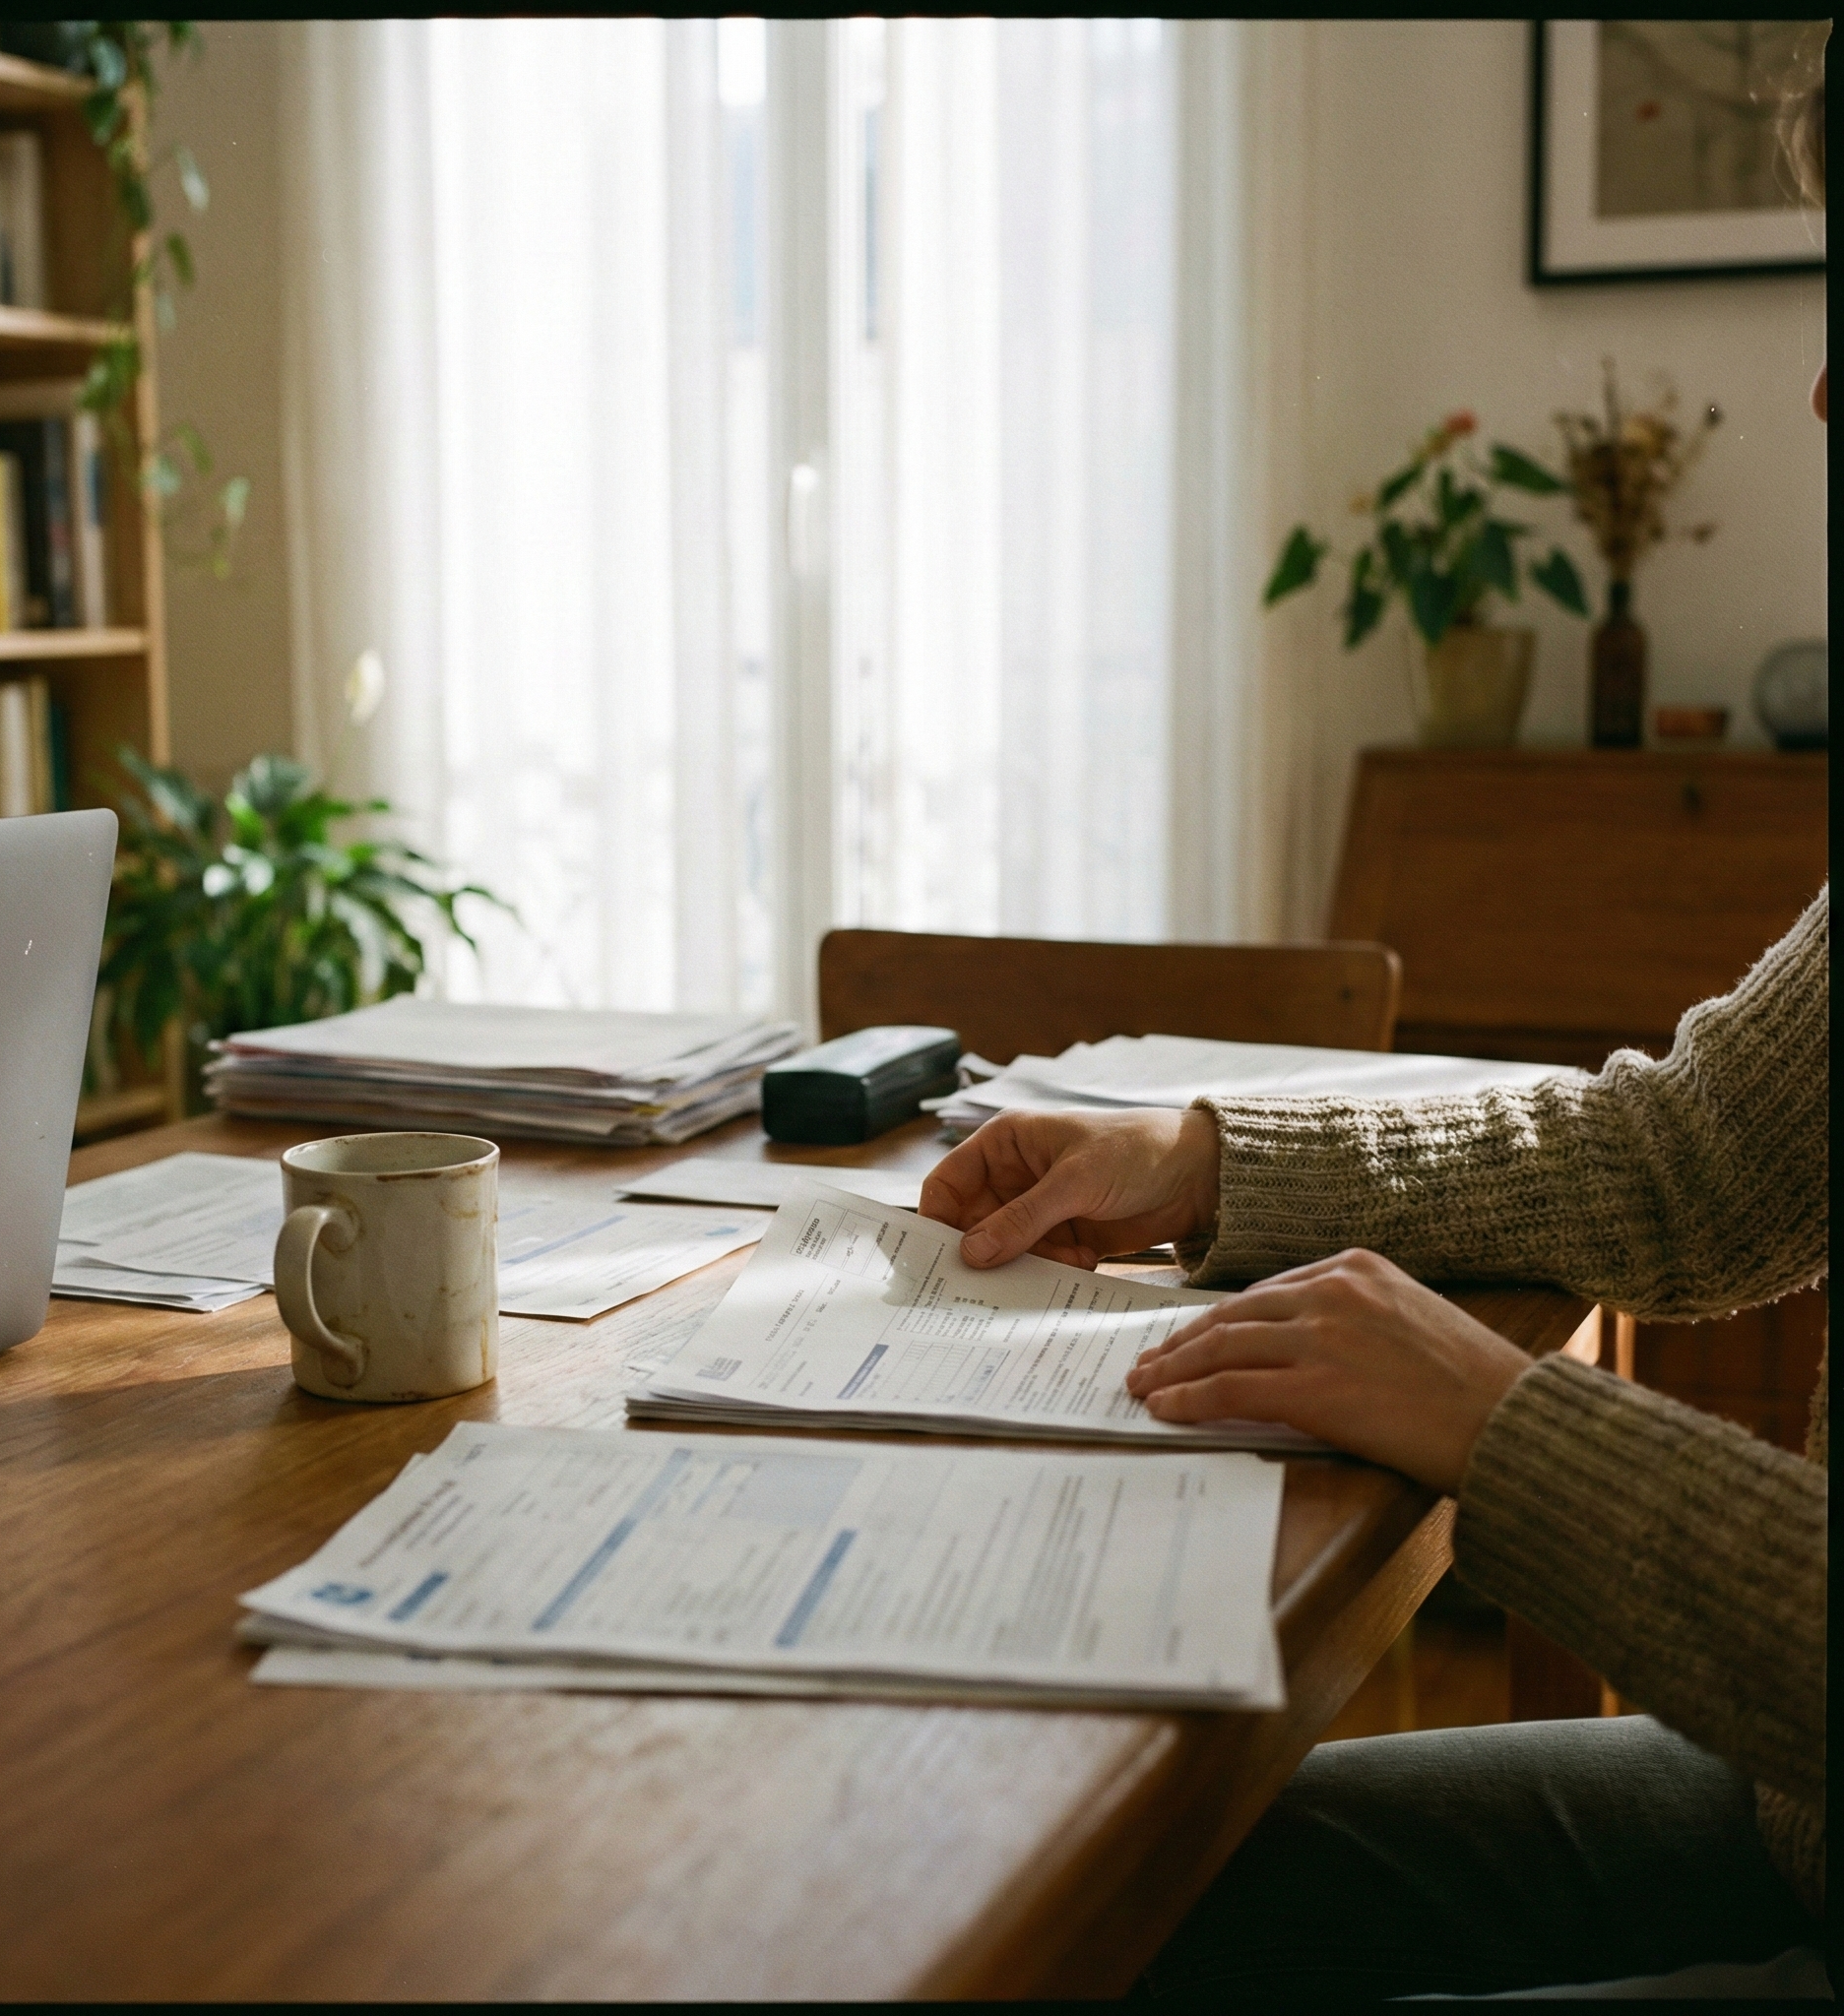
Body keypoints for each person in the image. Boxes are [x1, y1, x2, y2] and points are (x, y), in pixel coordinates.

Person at [918, 80, 1827, 2007]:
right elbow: (1690, 1168)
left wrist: (1508, 1425)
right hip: (1790, 1810)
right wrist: (1211, 1163)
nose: (1820, 399)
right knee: (1115, 1903)